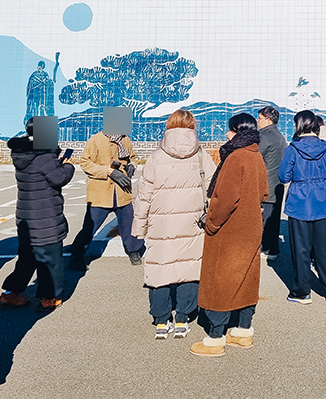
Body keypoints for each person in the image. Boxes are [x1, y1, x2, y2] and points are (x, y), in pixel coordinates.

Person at [132, 110, 215, 339]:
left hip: (162, 225)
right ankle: (183, 318)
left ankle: (161, 319)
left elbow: (144, 196)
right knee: (188, 268)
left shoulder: (157, 156)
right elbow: (214, 187)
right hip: (192, 223)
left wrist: (138, 229)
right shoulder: (200, 154)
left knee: (161, 268)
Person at [191, 113, 268, 357]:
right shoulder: (255, 155)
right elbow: (264, 192)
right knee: (246, 278)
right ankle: (243, 332)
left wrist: (211, 223)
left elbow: (225, 199)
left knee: (221, 279)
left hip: (230, 229)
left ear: (238, 132)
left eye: (230, 130)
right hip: (251, 225)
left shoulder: (236, 157)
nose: (226, 134)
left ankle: (215, 338)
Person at [0, 118, 75, 311]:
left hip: (26, 217)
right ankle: (49, 297)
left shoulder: (22, 154)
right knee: (51, 260)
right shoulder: (44, 157)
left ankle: (11, 293)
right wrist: (68, 165)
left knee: (26, 259)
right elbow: (59, 178)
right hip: (46, 217)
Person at [279, 110, 326, 304]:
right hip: (321, 198)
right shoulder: (325, 146)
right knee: (324, 247)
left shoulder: (293, 148)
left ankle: (302, 291)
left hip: (299, 200)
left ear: (298, 125)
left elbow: (284, 176)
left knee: (301, 248)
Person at [68, 128, 144, 270]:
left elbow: (133, 157)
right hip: (100, 193)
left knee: (129, 224)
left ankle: (133, 251)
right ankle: (76, 256)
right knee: (90, 227)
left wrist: (132, 166)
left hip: (122, 191)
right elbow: (85, 162)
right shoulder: (95, 139)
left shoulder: (125, 139)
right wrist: (108, 171)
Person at [257, 106, 287, 261]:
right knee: (273, 218)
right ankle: (272, 249)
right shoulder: (280, 137)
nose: (258, 121)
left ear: (268, 120)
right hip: (278, 184)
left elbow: (256, 158)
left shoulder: (263, 137)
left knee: (263, 220)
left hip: (265, 185)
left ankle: (263, 248)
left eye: (260, 118)